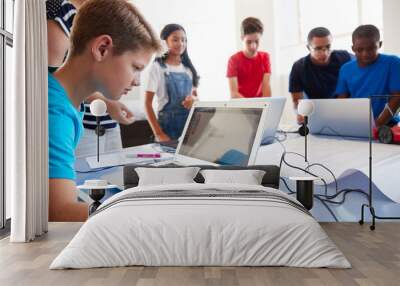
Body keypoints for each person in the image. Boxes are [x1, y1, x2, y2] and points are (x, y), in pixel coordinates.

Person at [48, 0, 161, 221]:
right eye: (136, 68)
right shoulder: (55, 111)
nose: (137, 82)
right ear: (102, 49)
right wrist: (144, 214)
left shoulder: (68, 99)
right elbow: (59, 211)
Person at [46, 0, 135, 154]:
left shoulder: (104, 17)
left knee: (113, 177)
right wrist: (106, 103)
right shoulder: (60, 10)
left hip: (110, 123)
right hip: (82, 125)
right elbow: (54, 77)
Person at [336, 24, 400, 127]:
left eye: (370, 49)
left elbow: (397, 97)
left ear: (379, 44)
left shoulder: (393, 63)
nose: (365, 54)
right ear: (353, 48)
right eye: (359, 50)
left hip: (387, 125)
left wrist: (376, 125)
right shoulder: (345, 69)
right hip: (356, 124)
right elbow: (342, 102)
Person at [145, 24, 199, 142]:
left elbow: (195, 96)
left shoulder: (188, 69)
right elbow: (147, 104)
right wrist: (158, 133)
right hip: (166, 128)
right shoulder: (157, 67)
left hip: (188, 127)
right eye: (175, 39)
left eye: (183, 40)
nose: (180, 43)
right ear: (164, 42)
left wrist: (193, 100)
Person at [289, 27, 353, 123]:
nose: (325, 53)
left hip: (344, 111)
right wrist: (301, 113)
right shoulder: (299, 67)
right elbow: (297, 101)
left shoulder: (344, 57)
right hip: (315, 113)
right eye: (318, 48)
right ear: (308, 47)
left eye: (328, 47)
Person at [227, 17, 271, 98]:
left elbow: (266, 89)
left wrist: (267, 107)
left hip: (260, 105)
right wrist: (252, 108)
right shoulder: (233, 60)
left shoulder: (265, 57)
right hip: (241, 105)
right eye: (249, 42)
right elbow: (234, 93)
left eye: (257, 41)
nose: (253, 46)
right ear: (242, 38)